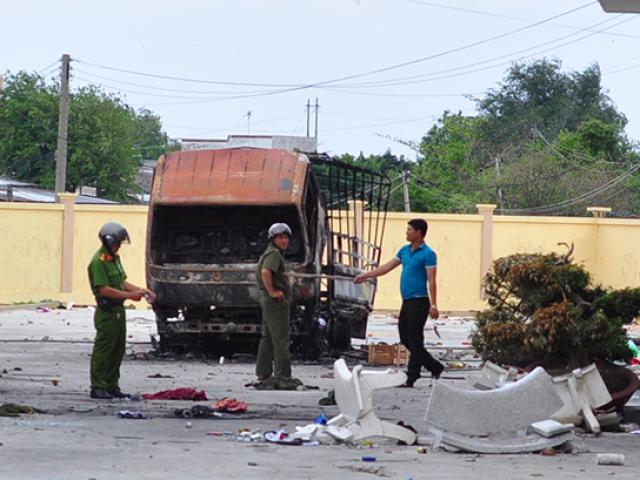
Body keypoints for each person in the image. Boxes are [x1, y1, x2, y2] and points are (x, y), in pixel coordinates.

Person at [355, 218, 444, 387]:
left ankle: (412, 376)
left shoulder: (428, 253)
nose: (407, 232)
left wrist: (434, 304)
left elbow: (432, 280)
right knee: (406, 338)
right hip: (407, 301)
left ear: (418, 232)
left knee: (415, 339)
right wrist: (365, 276)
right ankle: (435, 366)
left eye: (409, 230)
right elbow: (387, 267)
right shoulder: (404, 251)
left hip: (420, 301)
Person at [87, 222, 155, 400]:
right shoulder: (98, 261)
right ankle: (98, 386)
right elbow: (104, 289)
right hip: (107, 311)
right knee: (104, 349)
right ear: (109, 241)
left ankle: (111, 385)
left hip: (118, 311)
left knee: (118, 349)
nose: (119, 247)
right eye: (117, 243)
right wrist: (129, 295)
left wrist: (141, 290)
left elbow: (122, 281)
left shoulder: (114, 259)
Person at [255, 223, 293, 383]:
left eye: (286, 238)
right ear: (273, 239)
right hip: (274, 302)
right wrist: (273, 292)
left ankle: (263, 372)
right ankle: (283, 376)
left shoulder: (269, 253)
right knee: (281, 339)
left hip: (268, 301)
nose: (284, 241)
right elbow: (265, 272)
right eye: (280, 238)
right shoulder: (274, 254)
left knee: (268, 337)